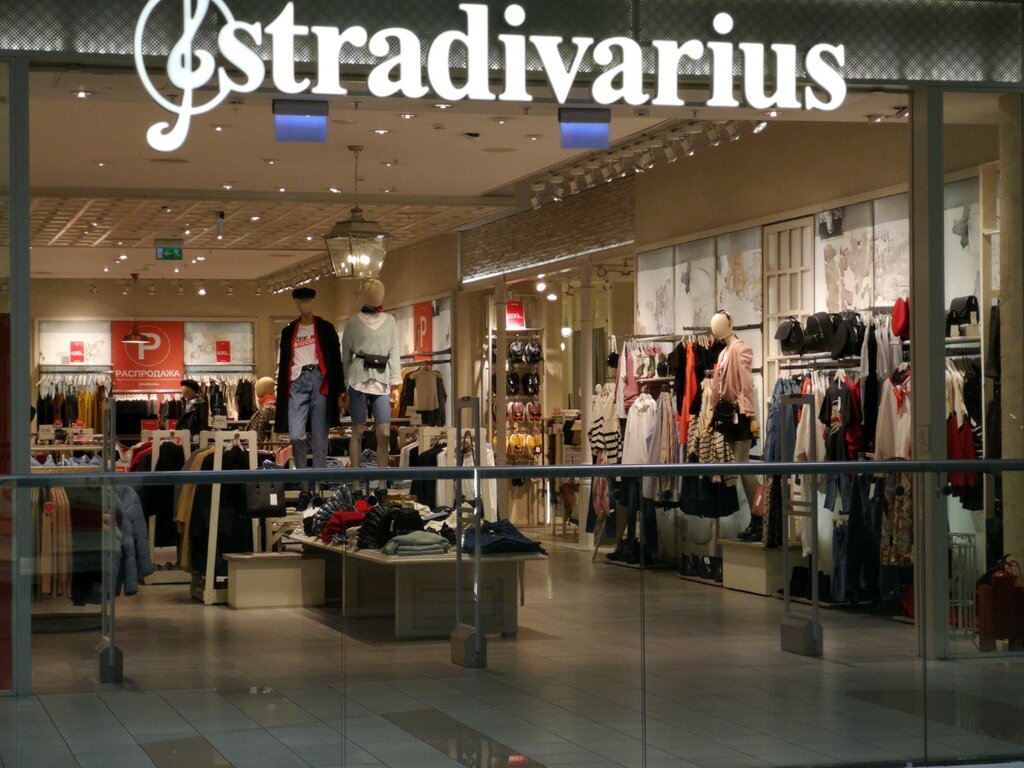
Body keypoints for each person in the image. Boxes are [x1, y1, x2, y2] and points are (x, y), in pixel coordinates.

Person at [274, 288, 343, 471]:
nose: (304, 305)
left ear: (313, 301)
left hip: (320, 380)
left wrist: (340, 390)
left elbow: (336, 360)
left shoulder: (326, 328)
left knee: (320, 438)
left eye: (308, 301)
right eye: (301, 301)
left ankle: (318, 481)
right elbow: (284, 364)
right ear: (296, 303)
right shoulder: (289, 331)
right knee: (296, 435)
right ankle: (302, 477)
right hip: (297, 381)